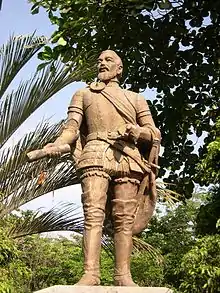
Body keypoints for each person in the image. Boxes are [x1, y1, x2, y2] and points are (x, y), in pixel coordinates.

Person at [43, 50, 160, 286]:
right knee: (93, 214)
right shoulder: (83, 94)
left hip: (129, 157)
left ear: (120, 69)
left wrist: (139, 132)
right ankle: (90, 273)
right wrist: (58, 144)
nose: (102, 63)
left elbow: (153, 132)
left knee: (124, 219)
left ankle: (123, 276)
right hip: (95, 153)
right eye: (100, 60)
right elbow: (71, 128)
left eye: (109, 60)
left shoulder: (136, 98)